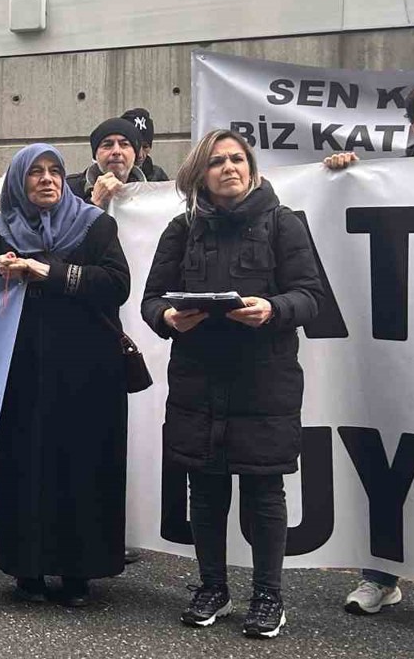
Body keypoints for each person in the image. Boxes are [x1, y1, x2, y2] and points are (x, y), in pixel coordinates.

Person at [141, 128, 323, 639]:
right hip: (197, 380)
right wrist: (167, 317)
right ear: (201, 173)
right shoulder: (181, 229)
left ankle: (268, 597)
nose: (229, 168)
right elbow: (151, 299)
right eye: (217, 161)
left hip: (264, 381)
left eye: (237, 159)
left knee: (264, 490)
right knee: (204, 490)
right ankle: (212, 587)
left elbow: (311, 297)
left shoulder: (284, 223)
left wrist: (274, 309)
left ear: (251, 167)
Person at [323, 76, 414, 626]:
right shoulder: (390, 180)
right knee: (393, 456)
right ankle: (380, 577)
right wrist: (343, 178)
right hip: (405, 354)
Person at [0, 143, 130, 609]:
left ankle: (79, 571)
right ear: (18, 181)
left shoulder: (95, 225)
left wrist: (49, 272)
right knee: (24, 465)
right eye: (36, 172)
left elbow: (117, 285)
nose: (47, 179)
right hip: (20, 371)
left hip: (87, 371)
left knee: (81, 464)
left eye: (55, 171)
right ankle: (28, 569)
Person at [67, 118, 149, 208]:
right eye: (107, 145)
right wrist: (93, 203)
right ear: (95, 155)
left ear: (135, 154)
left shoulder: (151, 192)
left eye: (124, 144)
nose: (116, 151)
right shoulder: (69, 190)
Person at [121, 108, 171, 183]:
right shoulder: (106, 175)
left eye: (145, 147)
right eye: (135, 145)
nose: (140, 155)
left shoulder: (158, 175)